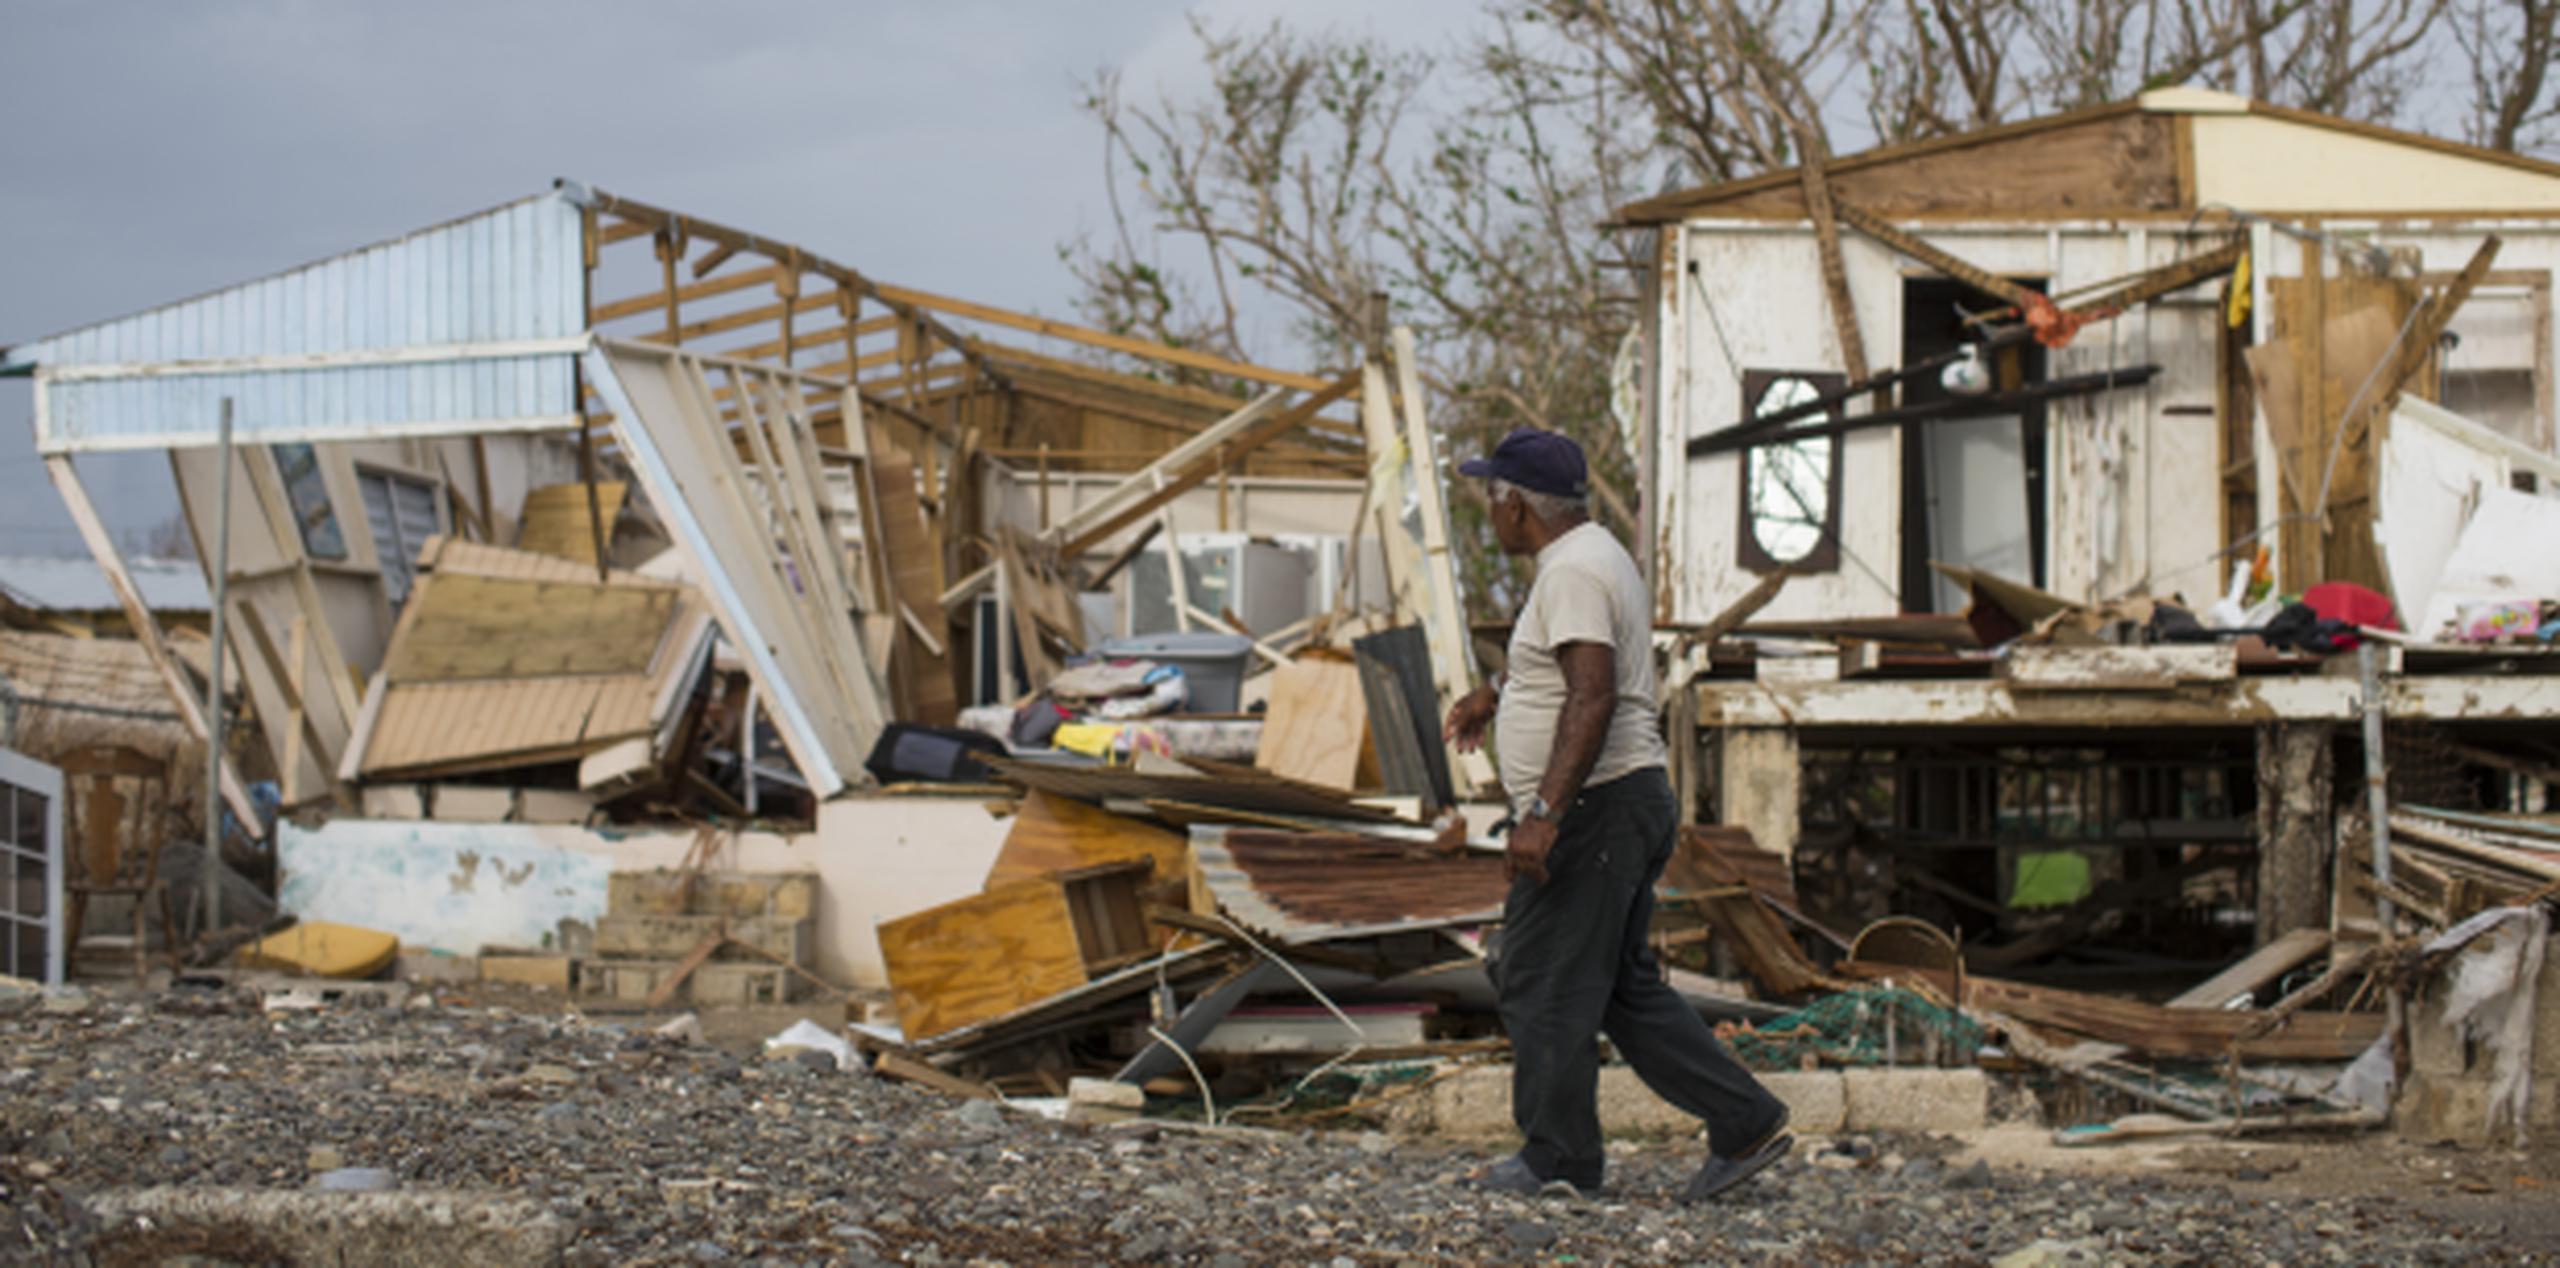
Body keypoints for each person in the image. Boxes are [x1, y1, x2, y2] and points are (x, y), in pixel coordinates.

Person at [1443, 426, 1792, 1203]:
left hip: (1594, 811)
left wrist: (1543, 811)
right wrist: (1492, 697)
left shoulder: (1571, 573)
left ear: (1515, 506)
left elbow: (1592, 692)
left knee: (1534, 975)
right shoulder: (1592, 557)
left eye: (1491, 496)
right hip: (1625, 801)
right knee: (1619, 988)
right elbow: (1566, 663)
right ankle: (1745, 1121)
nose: (1489, 513)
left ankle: (1558, 1159)